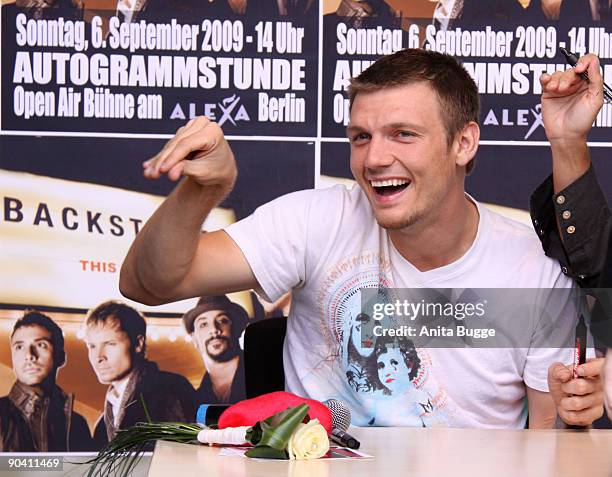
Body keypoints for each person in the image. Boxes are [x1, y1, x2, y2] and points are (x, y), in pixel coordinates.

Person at [120, 48, 607, 428]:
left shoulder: (533, 273)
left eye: (402, 134)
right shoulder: (318, 218)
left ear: (464, 143)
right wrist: (203, 190)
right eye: (360, 137)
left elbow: (550, 441)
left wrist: (576, 414)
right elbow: (148, 285)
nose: (374, 159)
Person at [85, 301, 196, 448]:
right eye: (92, 346)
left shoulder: (170, 390)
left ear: (138, 344)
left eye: (110, 344)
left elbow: (185, 458)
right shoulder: (102, 425)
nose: (98, 357)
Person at [0, 311, 92, 452]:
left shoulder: (77, 424)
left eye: (41, 345)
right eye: (19, 347)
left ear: (61, 357)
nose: (29, 355)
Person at [182, 295, 249, 404]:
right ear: (195, 339)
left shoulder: (262, 375)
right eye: (203, 324)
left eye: (222, 321)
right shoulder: (195, 400)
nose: (214, 330)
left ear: (237, 329)